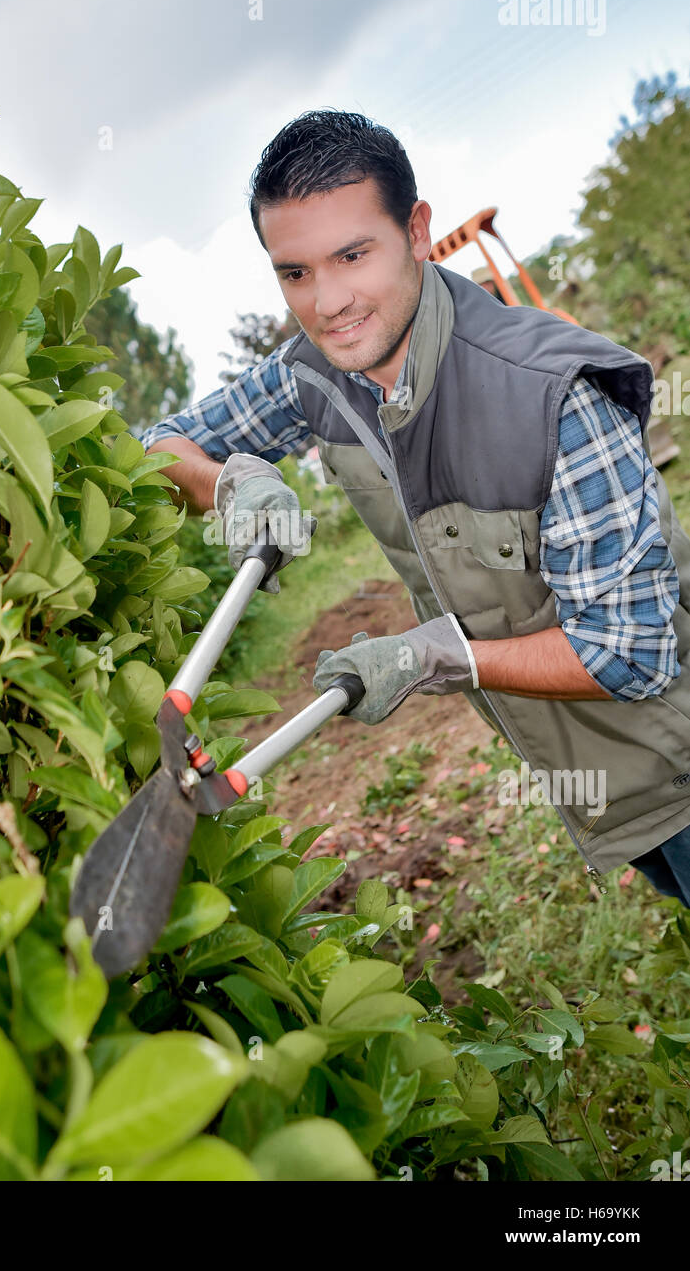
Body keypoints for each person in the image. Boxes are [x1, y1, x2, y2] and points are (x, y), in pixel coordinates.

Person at [139, 109, 690, 909]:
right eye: (294, 273)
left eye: (351, 256)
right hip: (610, 789)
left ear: (417, 231)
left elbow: (631, 653)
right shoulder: (316, 374)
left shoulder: (550, 398)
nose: (326, 302)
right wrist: (228, 483)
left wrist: (438, 655)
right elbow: (160, 441)